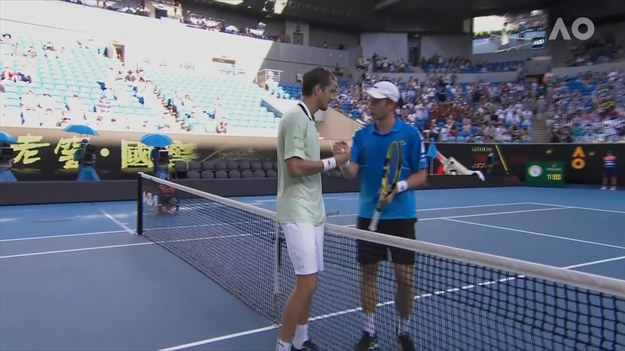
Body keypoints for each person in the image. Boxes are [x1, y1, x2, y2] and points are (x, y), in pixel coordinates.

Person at [336, 81, 428, 351]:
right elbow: (352, 172)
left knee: (405, 279)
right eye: (371, 100)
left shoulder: (411, 134)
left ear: (390, 104)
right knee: (368, 275)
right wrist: (342, 164)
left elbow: (422, 174)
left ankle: (403, 330)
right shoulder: (362, 135)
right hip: (368, 217)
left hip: (401, 217)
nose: (370, 104)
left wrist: (396, 188)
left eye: (376, 101)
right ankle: (369, 332)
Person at [275, 67, 347, 351]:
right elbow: (294, 167)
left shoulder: (308, 121)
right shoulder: (294, 116)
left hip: (314, 214)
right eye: (331, 90)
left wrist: (335, 157)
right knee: (306, 283)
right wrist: (335, 162)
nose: (333, 96)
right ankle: (282, 346)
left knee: (310, 283)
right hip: (298, 212)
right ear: (318, 89)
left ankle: (301, 339)